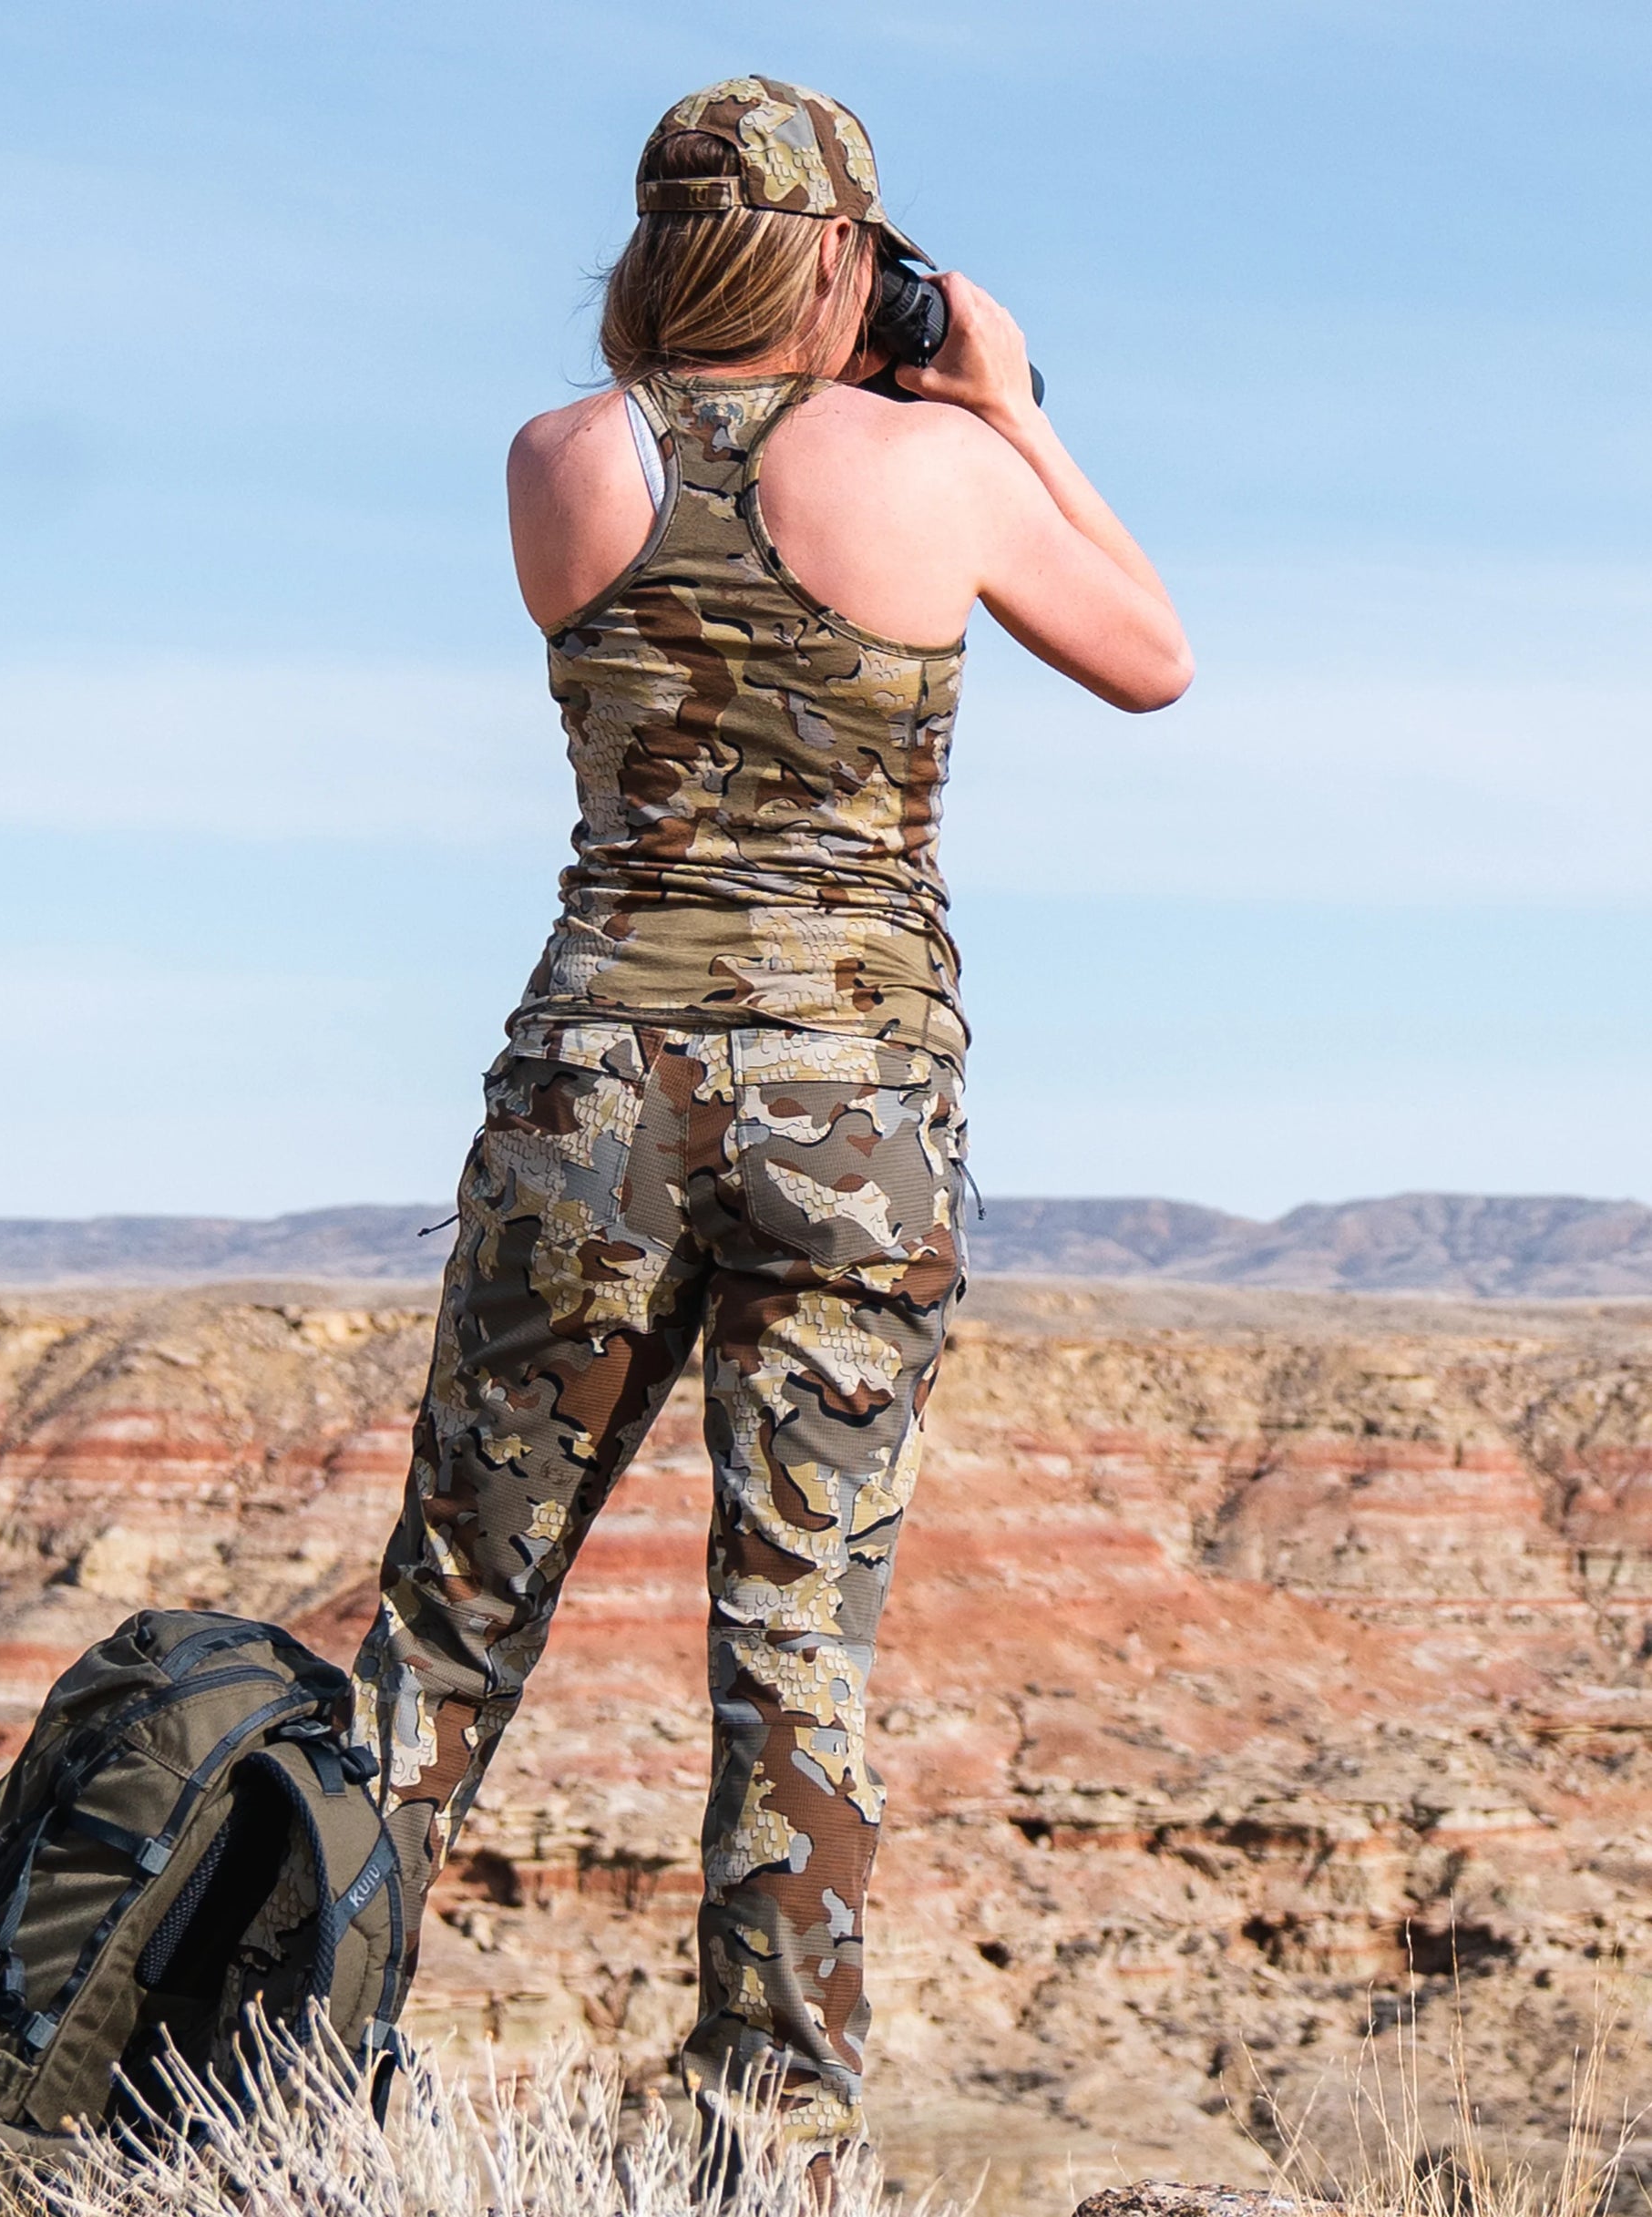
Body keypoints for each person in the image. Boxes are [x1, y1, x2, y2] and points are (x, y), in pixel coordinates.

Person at [352, 75, 1191, 2159]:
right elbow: (1153, 655)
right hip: (853, 1107)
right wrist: (1008, 403)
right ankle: (773, 2132)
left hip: (595, 1091)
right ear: (844, 254)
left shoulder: (563, 458)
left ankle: (274, 2046)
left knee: (447, 1620)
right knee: (794, 1639)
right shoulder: (937, 468)